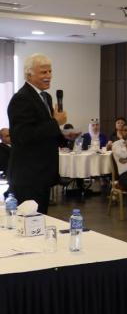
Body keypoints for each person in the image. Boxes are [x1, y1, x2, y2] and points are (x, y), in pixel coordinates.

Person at [6, 53, 67, 214]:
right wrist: (55, 123)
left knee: (40, 220)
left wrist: (64, 137)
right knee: (28, 222)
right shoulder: (21, 99)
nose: (49, 76)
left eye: (50, 71)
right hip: (28, 175)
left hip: (42, 174)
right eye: (43, 72)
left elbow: (44, 130)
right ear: (29, 75)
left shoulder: (46, 97)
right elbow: (22, 136)